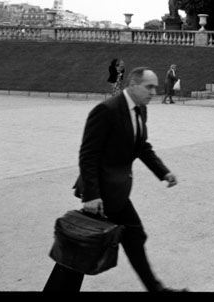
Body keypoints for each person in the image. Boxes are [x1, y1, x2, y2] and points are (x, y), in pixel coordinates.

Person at [44, 67, 185, 292]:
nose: (154, 91)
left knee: (93, 242)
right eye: (149, 86)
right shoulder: (106, 110)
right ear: (132, 85)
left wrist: (163, 172)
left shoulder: (140, 109)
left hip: (116, 190)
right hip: (102, 192)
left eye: (156, 87)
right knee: (91, 242)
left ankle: (155, 289)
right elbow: (88, 155)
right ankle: (156, 289)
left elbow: (142, 146)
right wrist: (92, 196)